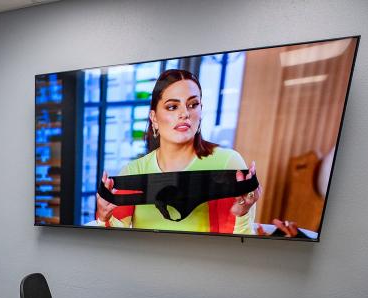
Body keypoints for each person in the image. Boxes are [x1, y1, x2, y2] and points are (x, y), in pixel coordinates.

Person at [95, 68, 262, 233]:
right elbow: (116, 242)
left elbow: (240, 246)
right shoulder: (133, 171)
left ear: (201, 110)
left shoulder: (228, 163)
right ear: (154, 118)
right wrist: (103, 218)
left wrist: (242, 214)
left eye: (193, 105)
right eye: (172, 107)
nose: (185, 114)